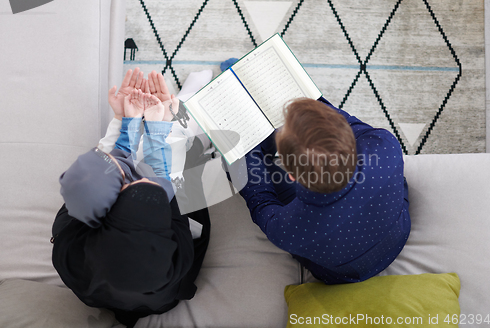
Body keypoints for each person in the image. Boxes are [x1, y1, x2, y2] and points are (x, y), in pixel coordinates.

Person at [51, 68, 211, 327]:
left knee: (111, 172)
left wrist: (124, 121)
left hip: (97, 289)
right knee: (181, 166)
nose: (137, 177)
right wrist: (162, 130)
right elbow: (164, 184)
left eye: (125, 184)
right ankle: (194, 125)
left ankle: (176, 120)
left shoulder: (68, 248)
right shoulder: (178, 258)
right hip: (162, 294)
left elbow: (110, 170)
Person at [233, 96, 410, 285]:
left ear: (291, 176)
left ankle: (247, 117)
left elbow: (260, 198)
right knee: (312, 128)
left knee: (241, 163)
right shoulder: (385, 145)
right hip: (396, 236)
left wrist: (241, 142)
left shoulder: (288, 227)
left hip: (342, 275)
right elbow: (343, 123)